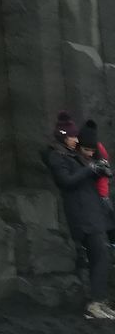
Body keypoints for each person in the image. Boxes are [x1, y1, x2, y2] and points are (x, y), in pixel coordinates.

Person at [42, 110, 115, 320]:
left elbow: (92, 173)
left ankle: (98, 301)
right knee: (100, 254)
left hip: (92, 213)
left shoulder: (74, 156)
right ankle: (95, 304)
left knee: (100, 257)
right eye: (73, 136)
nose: (76, 139)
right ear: (64, 136)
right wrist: (91, 170)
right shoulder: (57, 157)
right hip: (82, 215)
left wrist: (99, 169)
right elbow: (66, 182)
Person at [77, 119, 115, 252]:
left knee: (110, 223)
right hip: (86, 195)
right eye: (86, 150)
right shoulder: (74, 154)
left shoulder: (99, 151)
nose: (89, 153)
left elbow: (105, 172)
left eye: (92, 150)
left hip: (100, 192)